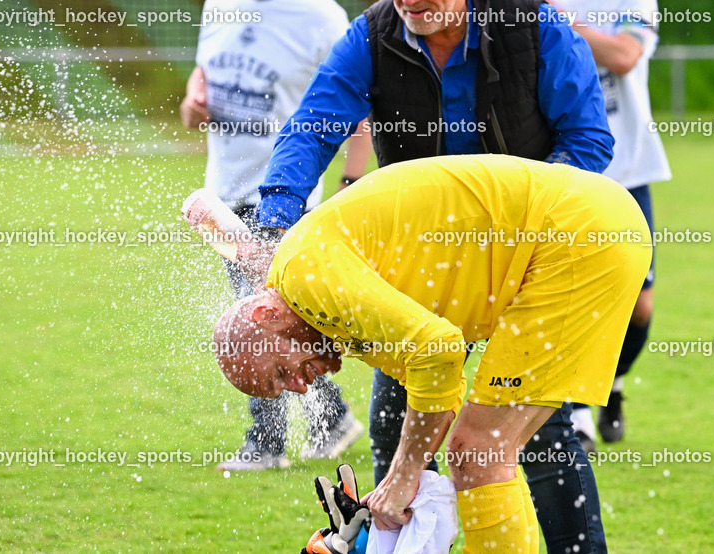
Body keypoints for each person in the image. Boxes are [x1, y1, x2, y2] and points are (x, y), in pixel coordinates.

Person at [257, 0, 617, 552]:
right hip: (416, 279)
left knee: (539, 439)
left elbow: (588, 144)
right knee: (399, 437)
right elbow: (313, 127)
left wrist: (518, 236)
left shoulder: (535, 23)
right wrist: (278, 221)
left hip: (525, 266)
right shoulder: (371, 35)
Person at [216, 155, 652, 553]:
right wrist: (399, 483)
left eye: (281, 372)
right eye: (283, 390)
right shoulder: (315, 299)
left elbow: (440, 351)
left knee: (479, 450)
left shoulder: (305, 281)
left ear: (265, 312)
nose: (300, 386)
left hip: (576, 236)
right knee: (485, 453)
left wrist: (404, 476)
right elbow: (436, 378)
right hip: (588, 229)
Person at [180, 0, 368, 471]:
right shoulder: (219, 1)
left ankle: (265, 446)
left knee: (254, 320)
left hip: (284, 197)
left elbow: (358, 106)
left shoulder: (320, 16)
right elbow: (203, 71)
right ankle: (332, 417)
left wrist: (349, 185)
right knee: (274, 317)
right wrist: (195, 98)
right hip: (222, 193)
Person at [533, 0, 672, 448]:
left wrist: (563, 27)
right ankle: (578, 417)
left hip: (629, 169)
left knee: (638, 306)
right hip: (566, 175)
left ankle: (610, 383)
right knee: (571, 299)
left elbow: (624, 56)